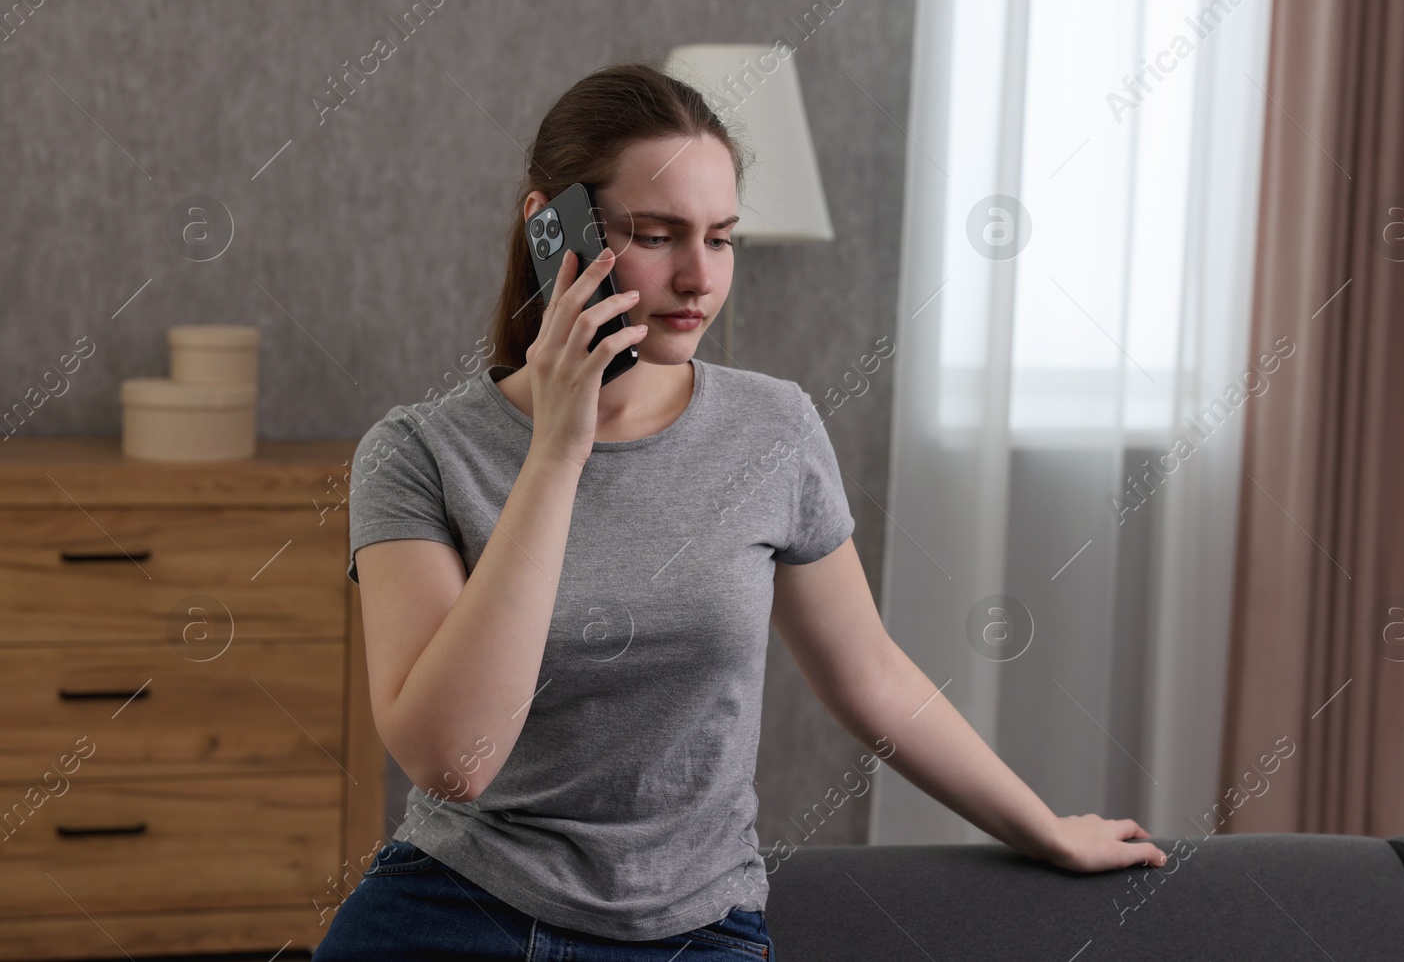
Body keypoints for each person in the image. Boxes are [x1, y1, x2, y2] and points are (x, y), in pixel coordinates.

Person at [312, 61, 1167, 962]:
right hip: (457, 907)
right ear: (549, 228)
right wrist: (559, 450)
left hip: (689, 930)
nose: (698, 277)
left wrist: (1042, 824)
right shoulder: (415, 453)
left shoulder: (774, 427)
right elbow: (456, 761)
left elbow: (869, 673)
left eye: (721, 239)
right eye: (656, 233)